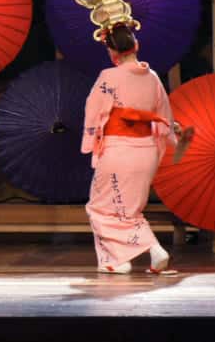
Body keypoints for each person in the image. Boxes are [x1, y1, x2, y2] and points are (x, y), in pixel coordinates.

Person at [81, 23, 194, 275]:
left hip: (118, 150)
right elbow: (165, 117)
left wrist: (91, 140)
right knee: (129, 210)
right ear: (136, 45)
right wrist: (174, 137)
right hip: (145, 152)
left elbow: (92, 111)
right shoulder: (152, 78)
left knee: (99, 208)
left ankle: (148, 249)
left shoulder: (108, 77)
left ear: (112, 52)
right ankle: (120, 260)